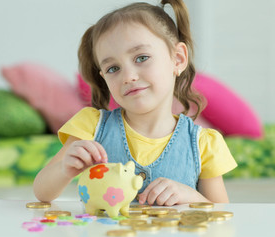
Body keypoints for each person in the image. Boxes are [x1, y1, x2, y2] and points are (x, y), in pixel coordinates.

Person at [33, 0, 237, 206]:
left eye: (141, 58)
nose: (128, 76)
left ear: (177, 59)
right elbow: (42, 192)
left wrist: (192, 197)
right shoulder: (90, 126)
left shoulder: (204, 144)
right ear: (104, 76)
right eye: (113, 68)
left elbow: (222, 214)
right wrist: (63, 170)